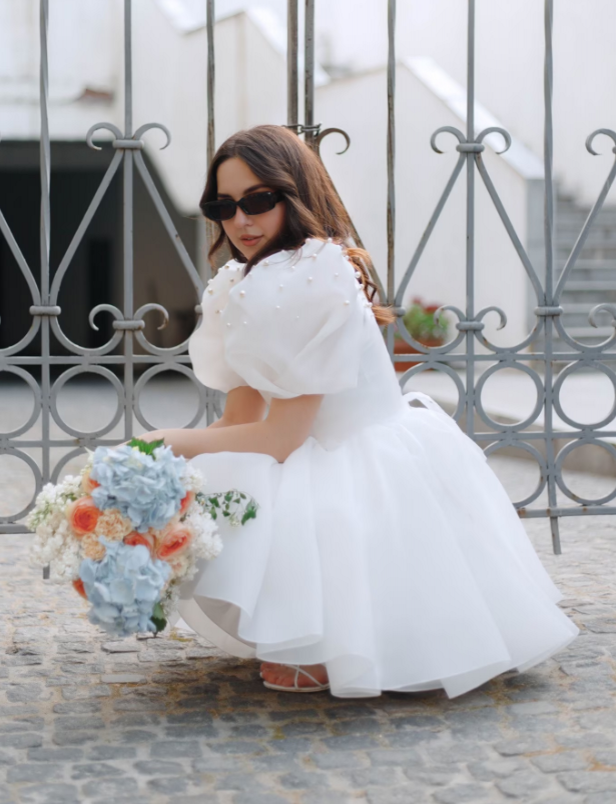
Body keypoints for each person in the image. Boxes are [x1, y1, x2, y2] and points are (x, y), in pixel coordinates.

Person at [140, 124, 577, 698]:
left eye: (258, 201)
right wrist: (158, 467)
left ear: (292, 195)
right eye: (223, 205)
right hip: (302, 446)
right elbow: (238, 423)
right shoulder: (242, 283)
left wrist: (167, 440)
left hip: (355, 452)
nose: (240, 220)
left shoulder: (314, 272)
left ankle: (339, 638)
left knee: (295, 487)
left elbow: (281, 438)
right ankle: (302, 629)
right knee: (217, 472)